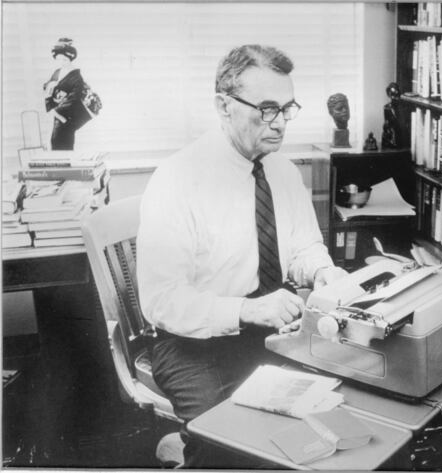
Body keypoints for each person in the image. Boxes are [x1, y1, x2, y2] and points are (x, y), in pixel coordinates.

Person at [137, 44, 346, 466]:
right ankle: (193, 448)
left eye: (288, 108)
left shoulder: (282, 171)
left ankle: (189, 445)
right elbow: (161, 302)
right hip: (191, 344)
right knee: (230, 448)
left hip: (270, 331)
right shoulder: (178, 179)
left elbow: (304, 247)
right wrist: (247, 311)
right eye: (267, 109)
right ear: (224, 106)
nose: (281, 123)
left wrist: (323, 271)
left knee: (333, 418)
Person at [43, 38, 92, 150]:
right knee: (52, 143)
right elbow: (47, 88)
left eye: (65, 59)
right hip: (54, 115)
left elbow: (73, 99)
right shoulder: (57, 72)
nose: (62, 62)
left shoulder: (76, 77)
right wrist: (49, 87)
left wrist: (56, 111)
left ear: (70, 58)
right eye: (59, 59)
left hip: (65, 119)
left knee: (62, 144)